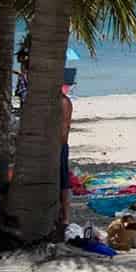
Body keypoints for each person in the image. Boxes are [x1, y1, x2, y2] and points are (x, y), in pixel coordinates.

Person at [59, 83, 74, 226]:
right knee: (62, 181)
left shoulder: (63, 102)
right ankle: (63, 215)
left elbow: (64, 129)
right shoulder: (63, 101)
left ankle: (66, 217)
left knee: (63, 182)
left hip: (59, 146)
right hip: (59, 145)